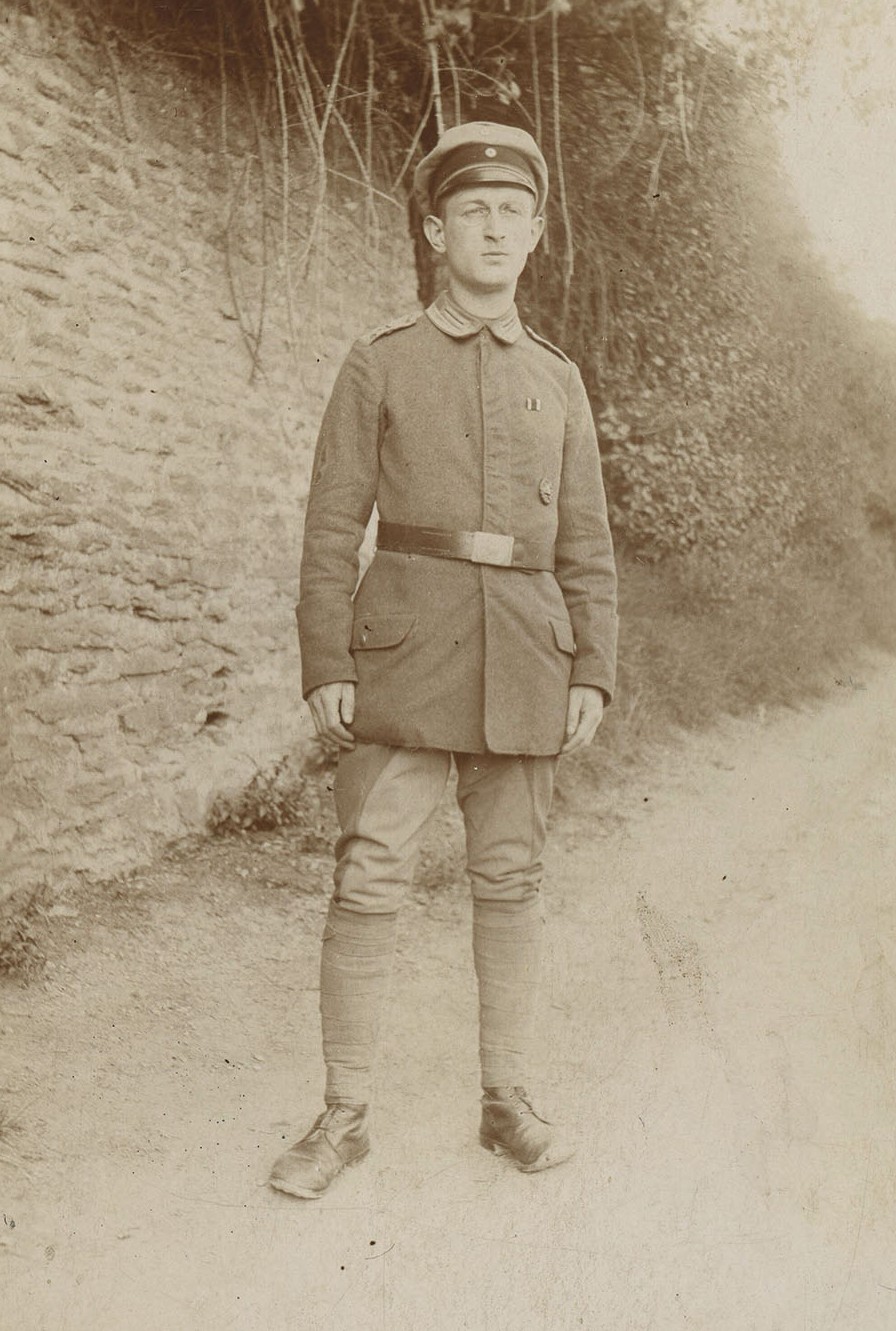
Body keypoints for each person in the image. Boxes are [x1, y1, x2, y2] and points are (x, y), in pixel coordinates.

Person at [268, 121, 618, 1199]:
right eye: (473, 210)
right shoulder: (379, 361)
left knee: (511, 876)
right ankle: (343, 1112)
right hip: (403, 653)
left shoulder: (557, 380)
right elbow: (332, 525)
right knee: (369, 868)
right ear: (434, 230)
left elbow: (588, 547)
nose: (495, 227)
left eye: (513, 212)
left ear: (537, 234)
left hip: (525, 656)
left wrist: (591, 668)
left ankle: (504, 1097)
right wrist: (326, 656)